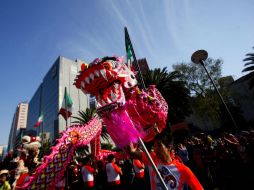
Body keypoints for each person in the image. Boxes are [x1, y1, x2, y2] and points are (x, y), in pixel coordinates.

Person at [128, 135, 203, 190]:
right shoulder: (152, 158)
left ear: (169, 147)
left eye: (159, 145)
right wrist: (128, 132)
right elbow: (131, 152)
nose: (155, 149)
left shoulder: (183, 170)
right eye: (154, 146)